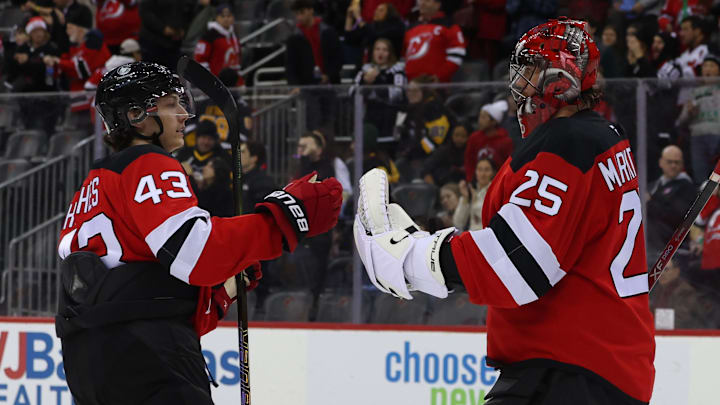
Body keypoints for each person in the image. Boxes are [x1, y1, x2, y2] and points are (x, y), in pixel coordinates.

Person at [355, 18, 655, 405]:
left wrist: (413, 260)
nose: (519, 84)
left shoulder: (568, 145)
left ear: (559, 77)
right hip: (591, 369)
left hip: (568, 371)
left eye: (530, 69)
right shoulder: (601, 138)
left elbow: (517, 265)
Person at [55, 61, 342, 403]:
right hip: (148, 357)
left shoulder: (90, 188)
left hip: (86, 363)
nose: (184, 114)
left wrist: (217, 291)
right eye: (171, 104)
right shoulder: (149, 162)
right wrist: (283, 217)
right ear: (136, 115)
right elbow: (197, 254)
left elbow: (131, 292)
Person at [286, 0, 343, 132]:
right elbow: (290, 65)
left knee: (330, 122)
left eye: (302, 12)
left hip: (329, 85)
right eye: (297, 14)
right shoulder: (294, 38)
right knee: (313, 122)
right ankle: (314, 149)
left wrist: (328, 75)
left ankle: (328, 149)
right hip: (308, 88)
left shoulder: (328, 32)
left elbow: (338, 58)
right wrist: (294, 85)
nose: (299, 17)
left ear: (311, 10)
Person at [645, 145, 696, 265]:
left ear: (682, 164)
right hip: (648, 243)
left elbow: (674, 215)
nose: (673, 166)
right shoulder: (654, 185)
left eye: (677, 162)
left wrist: (649, 202)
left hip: (669, 244)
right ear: (661, 162)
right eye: (669, 162)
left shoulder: (686, 187)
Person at [675, 54, 720, 183]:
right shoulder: (694, 92)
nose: (708, 69)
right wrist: (689, 113)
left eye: (712, 66)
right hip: (697, 138)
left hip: (718, 135)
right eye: (705, 66)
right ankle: (703, 201)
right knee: (700, 178)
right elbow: (681, 121)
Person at [352, 37, 406, 139]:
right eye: (377, 49)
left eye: (384, 50)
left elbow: (398, 95)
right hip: (369, 114)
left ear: (390, 53)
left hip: (389, 115)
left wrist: (377, 80)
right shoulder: (365, 69)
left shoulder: (397, 71)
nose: (380, 53)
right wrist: (365, 83)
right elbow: (352, 92)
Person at [403, 0, 466, 82]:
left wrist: (440, 76)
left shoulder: (449, 26)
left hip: (436, 87)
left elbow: (457, 54)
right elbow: (404, 57)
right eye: (420, 0)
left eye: (427, 1)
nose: (422, 3)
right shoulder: (411, 28)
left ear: (438, 4)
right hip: (411, 86)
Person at [464, 99, 512, 182]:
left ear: (493, 121)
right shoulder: (474, 138)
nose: (479, 121)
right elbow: (469, 160)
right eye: (479, 116)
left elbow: (508, 164)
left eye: (483, 117)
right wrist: (470, 179)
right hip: (477, 180)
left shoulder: (505, 141)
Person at [194, 3, 241, 77]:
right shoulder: (208, 36)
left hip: (232, 82)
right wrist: (208, 79)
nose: (226, 19)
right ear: (216, 18)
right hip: (215, 83)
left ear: (233, 18)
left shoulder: (234, 35)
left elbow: (237, 59)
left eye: (228, 16)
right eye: (222, 16)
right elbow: (200, 60)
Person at [453, 157, 497, 231]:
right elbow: (458, 223)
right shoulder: (470, 191)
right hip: (470, 235)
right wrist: (465, 198)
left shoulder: (495, 191)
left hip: (487, 234)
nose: (483, 174)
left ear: (493, 172)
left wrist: (475, 202)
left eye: (487, 170)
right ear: (475, 172)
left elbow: (487, 219)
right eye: (480, 170)